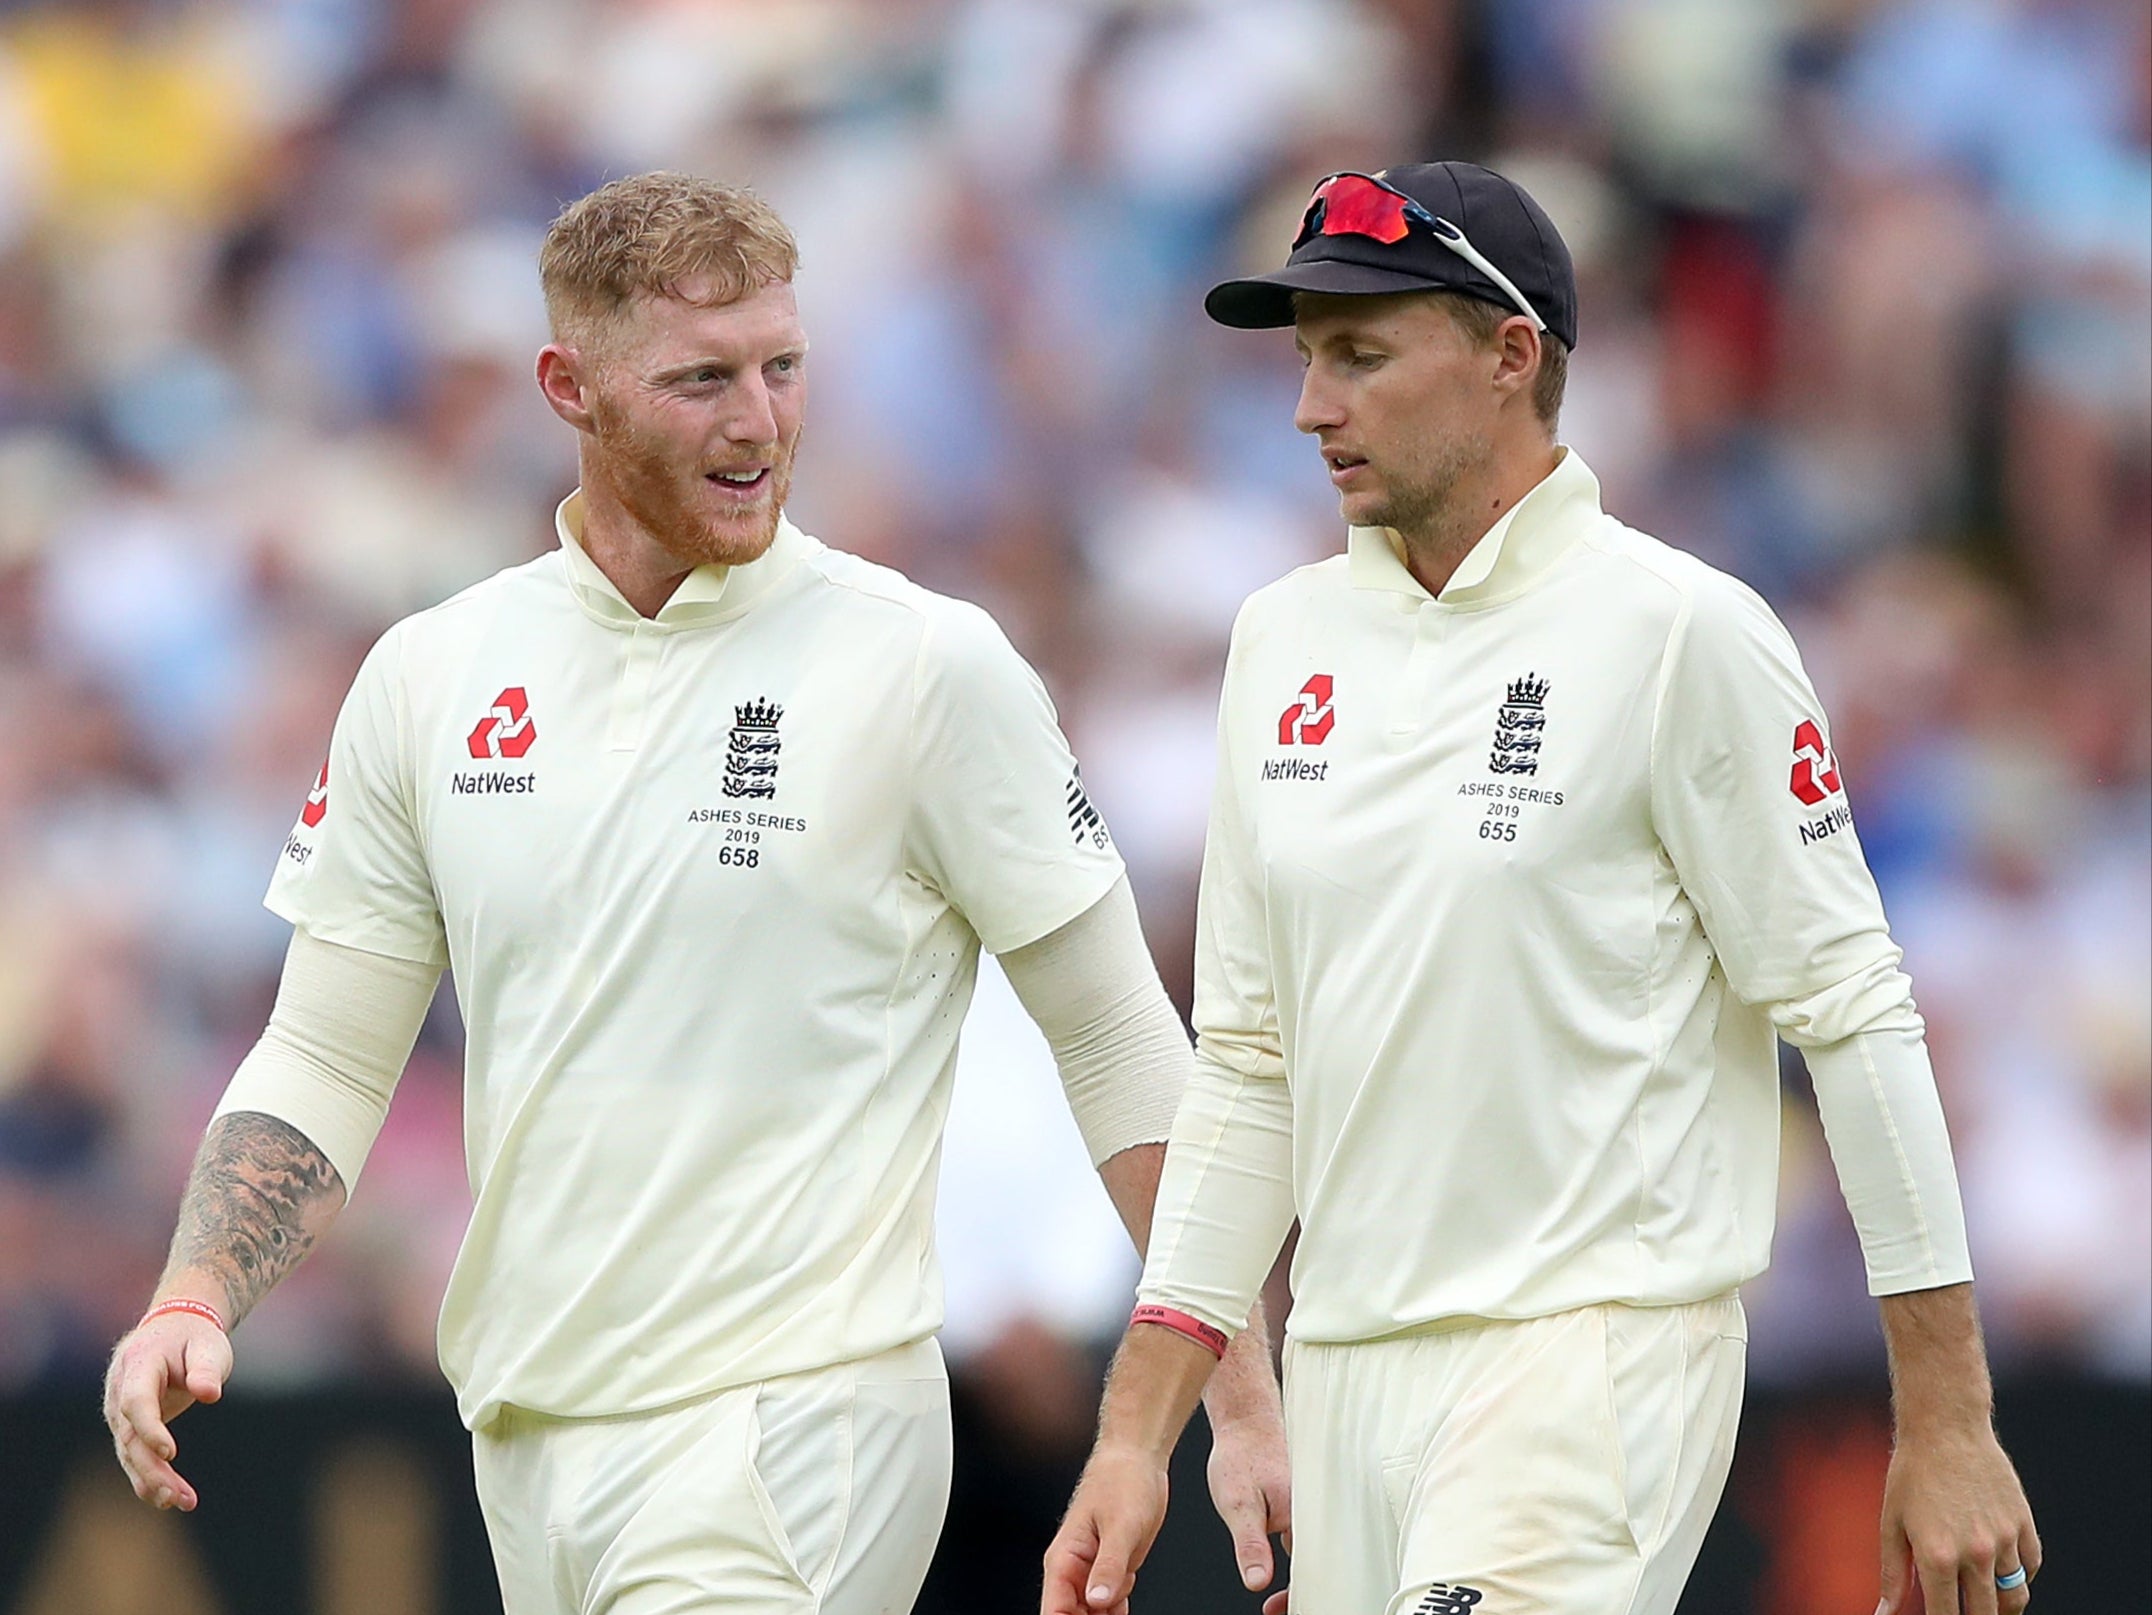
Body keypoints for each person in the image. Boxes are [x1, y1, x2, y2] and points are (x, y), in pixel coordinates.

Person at [99, 171, 1288, 1615]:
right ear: (569, 387)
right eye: (702, 380)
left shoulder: (927, 667)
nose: (761, 421)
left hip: (805, 1425)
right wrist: (195, 1292)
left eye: (784, 368)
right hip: (531, 1433)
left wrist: (1231, 1388)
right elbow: (331, 1048)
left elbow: (1115, 1042)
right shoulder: (432, 675)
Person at [1041, 162, 2042, 1615]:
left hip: (1595, 1361)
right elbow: (1253, 1063)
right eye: (1309, 359)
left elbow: (1854, 1010)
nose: (1313, 407)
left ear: (1512, 357)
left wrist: (1947, 1421)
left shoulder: (1682, 631)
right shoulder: (1281, 640)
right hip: (1349, 1372)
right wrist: (1140, 1431)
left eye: (1362, 356)